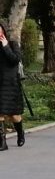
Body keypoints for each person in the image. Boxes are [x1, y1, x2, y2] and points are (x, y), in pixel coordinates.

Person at [0, 22, 25, 150]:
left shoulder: (13, 44)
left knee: (14, 115)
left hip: (11, 84)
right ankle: (2, 143)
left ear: (3, 31)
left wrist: (5, 47)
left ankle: (20, 133)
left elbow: (15, 60)